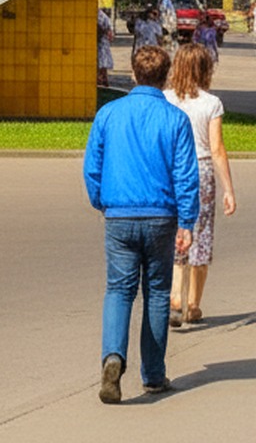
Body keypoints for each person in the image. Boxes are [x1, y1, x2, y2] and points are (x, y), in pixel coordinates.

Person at [83, 45, 199, 403]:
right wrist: (188, 221)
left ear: (134, 75)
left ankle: (113, 358)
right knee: (158, 292)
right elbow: (185, 174)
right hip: (161, 216)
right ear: (165, 78)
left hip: (119, 214)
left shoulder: (108, 114)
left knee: (119, 290)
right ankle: (153, 373)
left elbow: (93, 166)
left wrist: (101, 200)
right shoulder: (176, 119)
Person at [164, 42, 238, 326]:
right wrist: (228, 190)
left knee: (176, 230)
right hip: (202, 169)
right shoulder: (211, 103)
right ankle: (193, 304)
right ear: (205, 69)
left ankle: (175, 296)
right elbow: (217, 148)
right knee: (202, 234)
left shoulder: (166, 99)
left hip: (172, 171)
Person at [97, 8, 114, 87]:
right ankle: (103, 81)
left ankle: (103, 81)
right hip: (101, 44)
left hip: (101, 44)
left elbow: (110, 34)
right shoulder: (104, 16)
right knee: (102, 65)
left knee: (102, 65)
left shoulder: (102, 16)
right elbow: (111, 35)